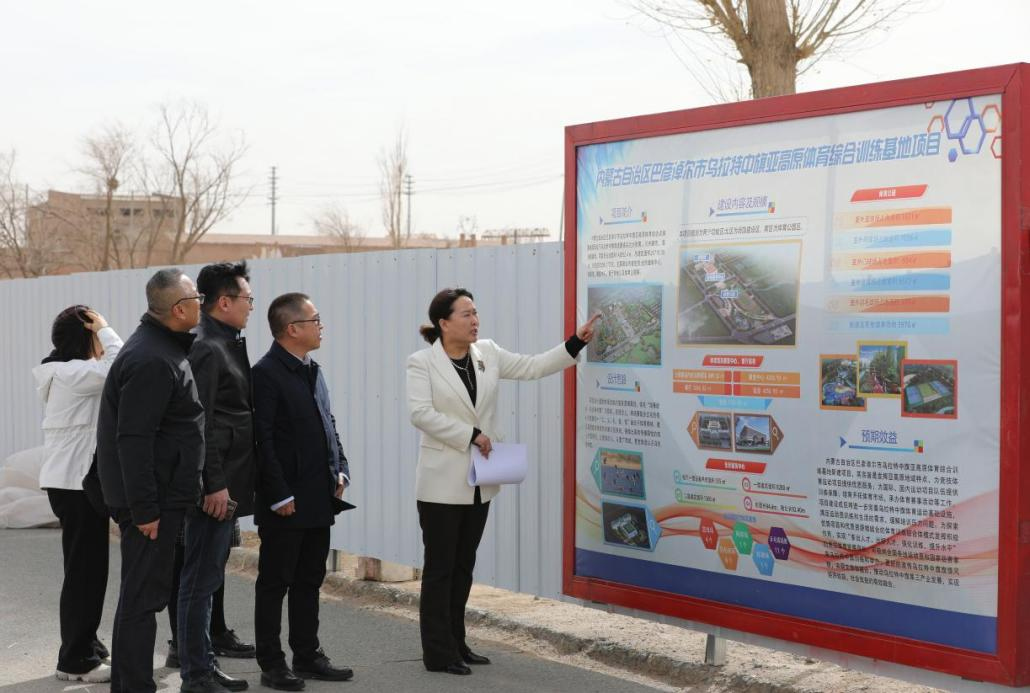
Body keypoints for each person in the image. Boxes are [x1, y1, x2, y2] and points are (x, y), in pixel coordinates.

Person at [405, 288, 599, 675]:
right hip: (441, 484)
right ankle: (437, 652)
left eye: (475, 312)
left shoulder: (487, 353)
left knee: (464, 566)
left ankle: (457, 643)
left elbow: (532, 366)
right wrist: (470, 435)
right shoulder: (421, 363)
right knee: (441, 568)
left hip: (480, 481)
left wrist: (575, 342)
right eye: (466, 314)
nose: (475, 320)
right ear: (444, 323)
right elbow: (420, 414)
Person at [96, 268, 205, 693]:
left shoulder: (161, 348)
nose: (201, 303)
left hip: (160, 496)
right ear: (178, 309)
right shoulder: (152, 359)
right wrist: (145, 509)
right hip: (151, 503)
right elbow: (133, 439)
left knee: (141, 596)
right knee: (143, 599)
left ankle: (131, 683)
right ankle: (135, 685)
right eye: (196, 298)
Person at [252, 292, 353, 691]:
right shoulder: (265, 374)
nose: (321, 326)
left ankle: (307, 655)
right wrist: (278, 494)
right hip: (286, 501)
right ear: (292, 329)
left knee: (310, 579)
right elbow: (262, 441)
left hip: (317, 494)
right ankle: (271, 663)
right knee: (274, 582)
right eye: (315, 320)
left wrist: (340, 468)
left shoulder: (313, 370)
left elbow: (328, 422)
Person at [175, 261, 257, 693]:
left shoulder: (225, 342)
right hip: (215, 487)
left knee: (207, 580)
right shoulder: (208, 347)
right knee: (199, 582)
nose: (250, 306)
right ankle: (196, 674)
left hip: (226, 481)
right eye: (247, 299)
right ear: (224, 302)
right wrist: (213, 484)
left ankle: (203, 664)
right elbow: (199, 421)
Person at [32, 306, 123, 684]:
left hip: (71, 482)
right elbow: (120, 366)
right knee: (86, 574)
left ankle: (85, 644)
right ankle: (75, 660)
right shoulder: (73, 373)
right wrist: (106, 329)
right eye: (94, 333)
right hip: (76, 484)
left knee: (85, 571)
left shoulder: (64, 372)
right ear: (86, 336)